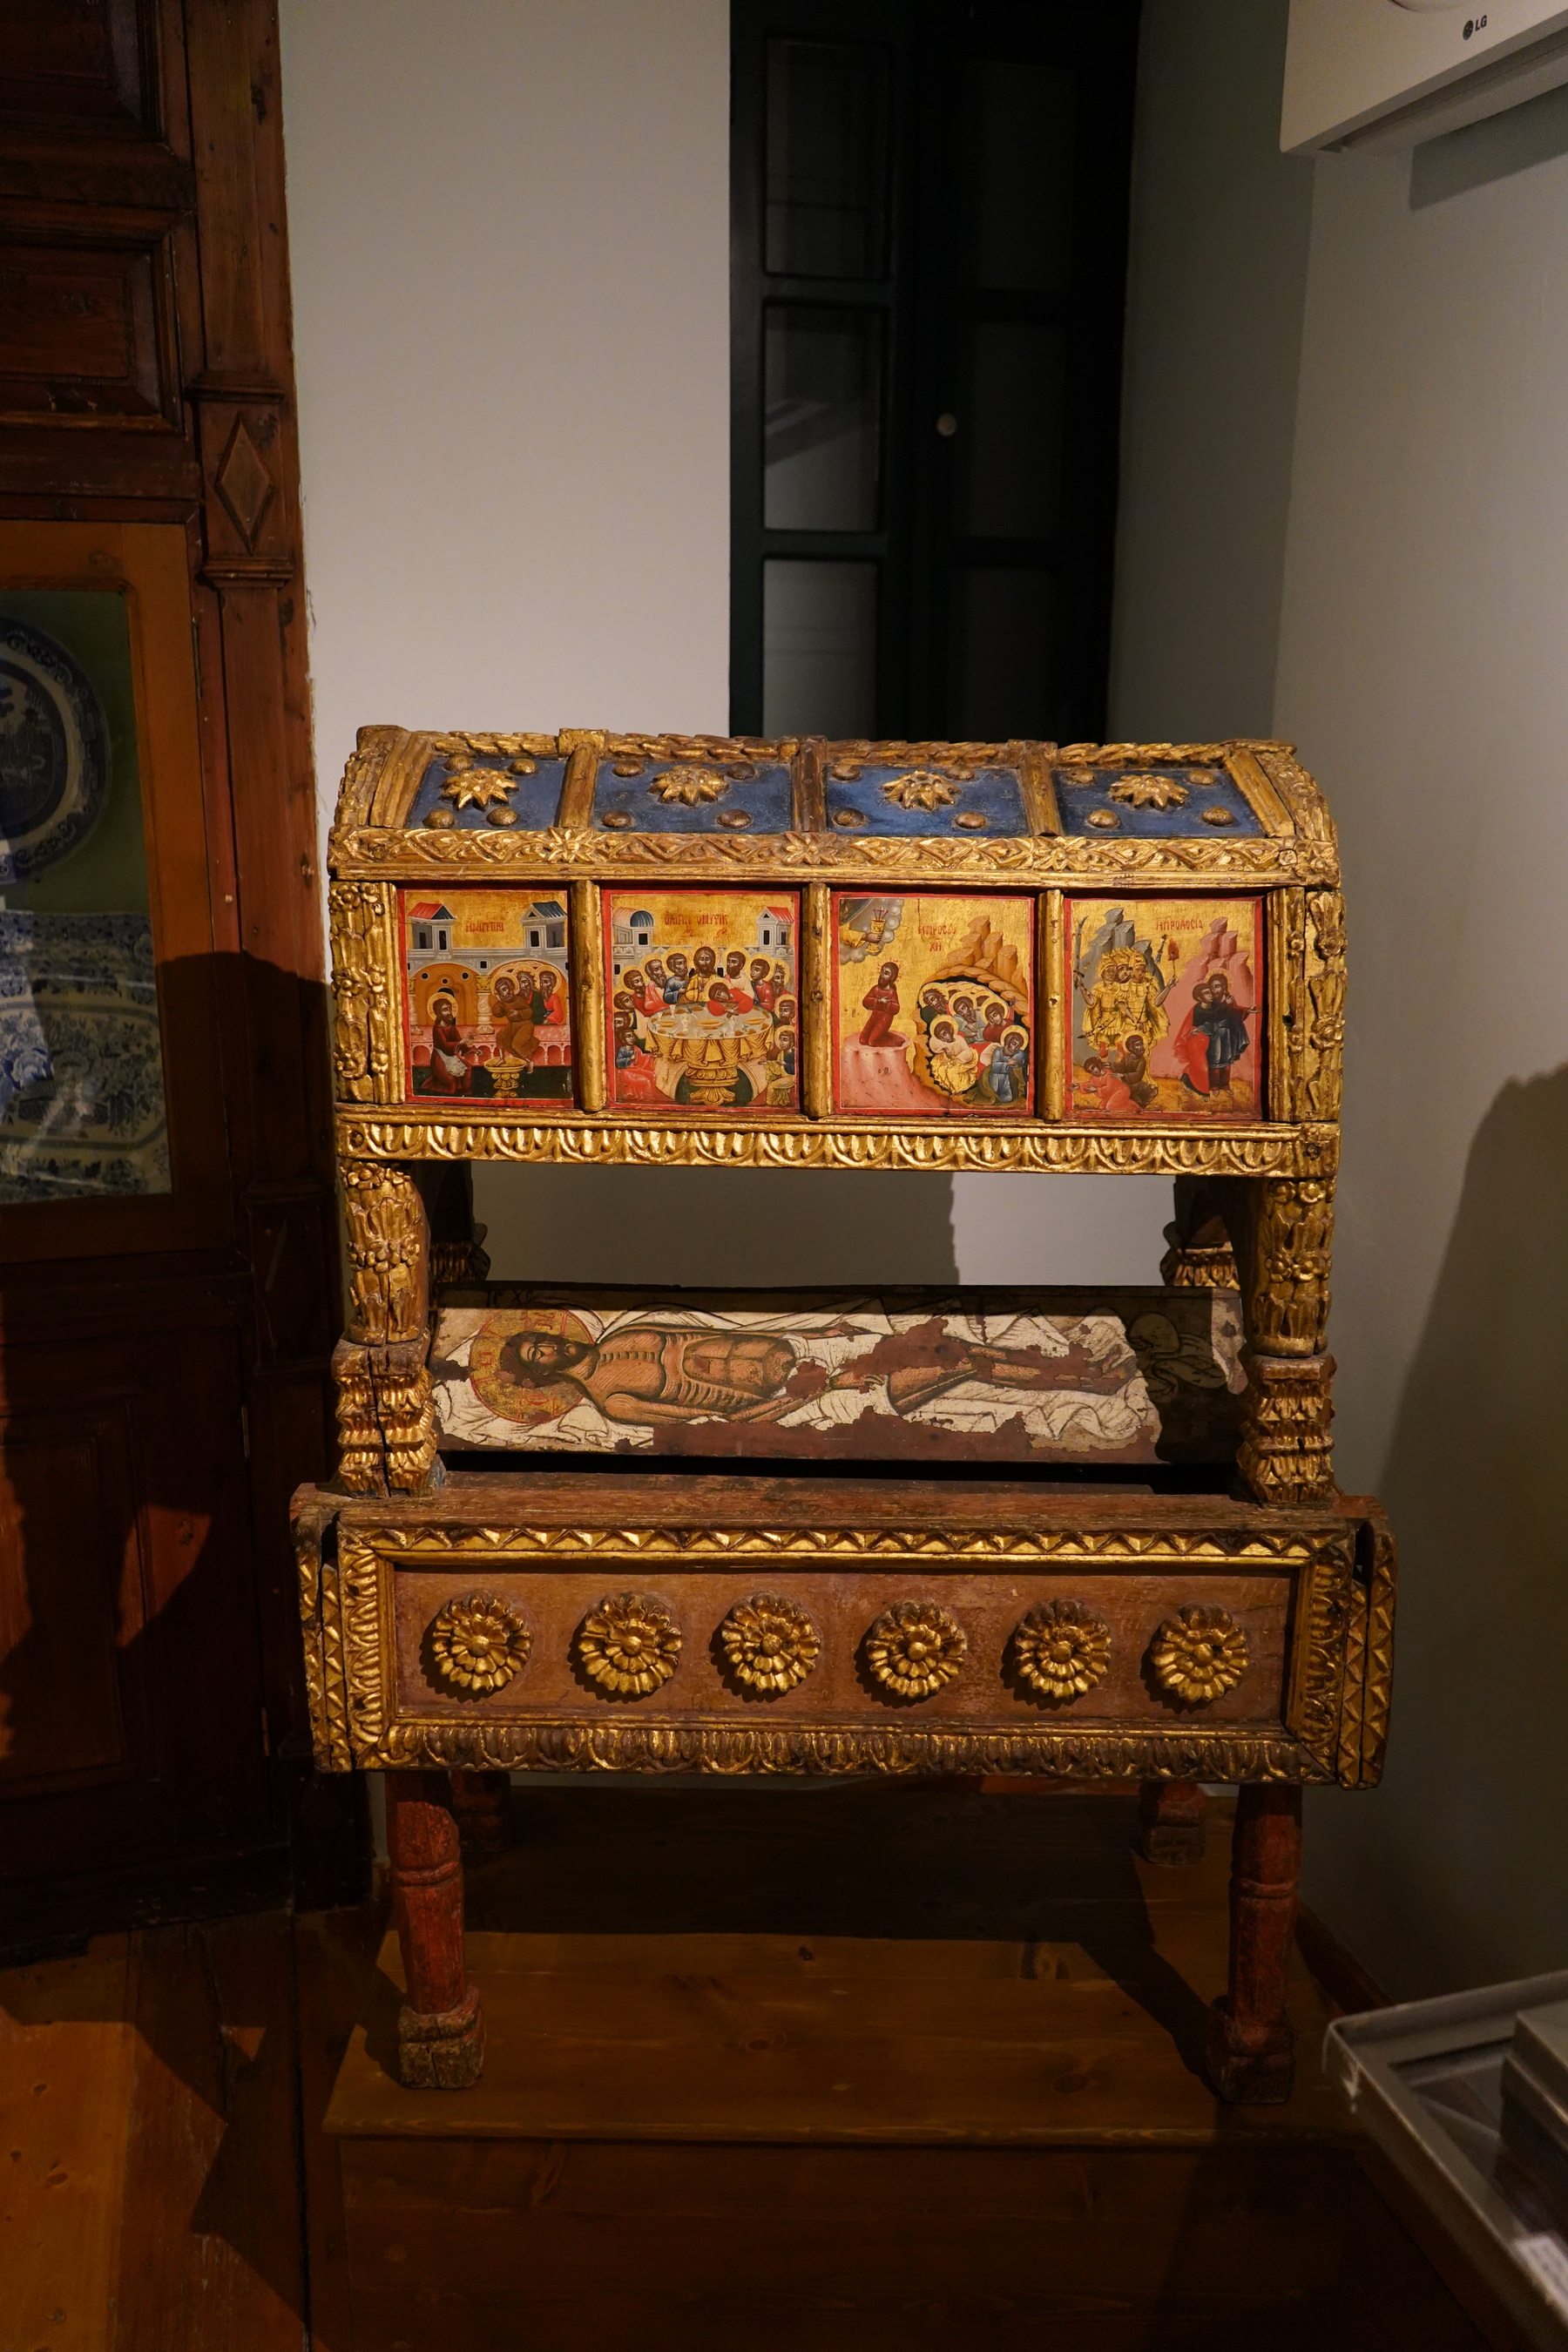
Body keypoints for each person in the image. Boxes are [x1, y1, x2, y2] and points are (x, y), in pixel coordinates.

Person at [1175, 973, 1253, 1097]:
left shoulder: (1228, 998)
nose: (1214, 990)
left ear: (1224, 987)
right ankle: (1214, 1086)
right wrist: (1200, 1028)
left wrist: (1247, 1010)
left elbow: (1235, 1010)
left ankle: (1225, 1085)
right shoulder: (1212, 1002)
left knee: (1227, 1060)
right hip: (1214, 1035)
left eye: (1217, 986)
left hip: (1227, 1034)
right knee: (1215, 1060)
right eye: (1211, 987)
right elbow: (1212, 1017)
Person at [425, 996, 470, 1094]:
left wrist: (471, 1050)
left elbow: (460, 1042)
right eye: (445, 1010)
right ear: (439, 1014)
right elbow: (444, 1045)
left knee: (468, 1068)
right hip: (440, 1058)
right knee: (451, 1082)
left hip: (451, 1057)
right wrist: (459, 1043)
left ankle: (466, 1093)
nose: (449, 1012)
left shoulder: (452, 1027)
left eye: (450, 1009)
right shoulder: (437, 1028)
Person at [928, 1017, 979, 1098]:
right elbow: (933, 1042)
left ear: (950, 1030)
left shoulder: (959, 1039)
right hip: (948, 1061)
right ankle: (951, 1088)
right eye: (941, 1037)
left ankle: (958, 1089)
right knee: (941, 1070)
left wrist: (957, 1059)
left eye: (945, 1034)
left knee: (952, 1071)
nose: (944, 1038)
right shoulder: (943, 1043)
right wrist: (945, 1049)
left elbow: (967, 1052)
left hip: (961, 1062)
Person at [858, 959, 903, 1049]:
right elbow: (865, 1001)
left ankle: (894, 1041)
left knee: (872, 1042)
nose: (882, 975)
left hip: (883, 1021)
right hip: (873, 1018)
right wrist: (879, 1001)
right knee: (862, 1040)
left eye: (886, 973)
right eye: (882, 972)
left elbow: (896, 1008)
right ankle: (884, 1035)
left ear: (892, 978)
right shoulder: (876, 989)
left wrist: (887, 1003)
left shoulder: (891, 992)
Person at [1110, 1032, 1158, 1110]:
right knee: (1135, 1101)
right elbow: (1122, 1066)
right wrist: (1111, 1065)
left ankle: (1140, 1104)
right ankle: (1137, 1104)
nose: (1141, 1047)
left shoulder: (1141, 1060)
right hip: (1128, 1086)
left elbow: (1138, 1075)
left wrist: (1123, 1075)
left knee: (1153, 1090)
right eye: (1137, 1045)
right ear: (1131, 1047)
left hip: (1137, 1085)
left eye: (1141, 1044)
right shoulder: (1127, 1057)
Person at [986, 1025, 1029, 1105]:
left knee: (1008, 1097)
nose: (1014, 1048)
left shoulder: (1018, 1053)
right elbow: (994, 1067)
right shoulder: (998, 1051)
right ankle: (994, 1097)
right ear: (1008, 1041)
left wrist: (1014, 1061)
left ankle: (997, 1099)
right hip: (996, 1077)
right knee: (993, 1092)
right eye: (1013, 1044)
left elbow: (1020, 1057)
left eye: (1018, 1047)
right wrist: (1008, 1063)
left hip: (1006, 1079)